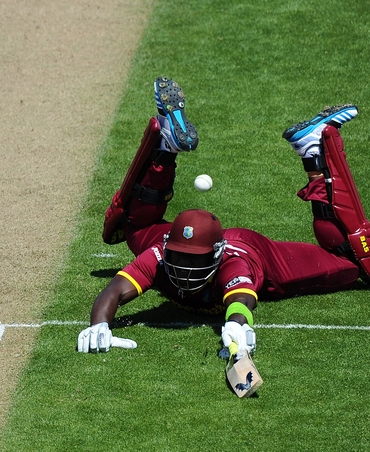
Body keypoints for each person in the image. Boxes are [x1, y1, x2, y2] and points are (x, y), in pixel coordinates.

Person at [77, 76, 364, 359]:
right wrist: (98, 324)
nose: (186, 268)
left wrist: (236, 326)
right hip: (204, 242)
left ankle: (314, 151)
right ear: (167, 246)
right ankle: (165, 145)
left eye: (194, 259)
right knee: (133, 225)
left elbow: (241, 299)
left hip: (261, 255)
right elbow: (115, 289)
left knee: (354, 259)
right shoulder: (159, 254)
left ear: (216, 255)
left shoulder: (233, 263)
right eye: (180, 256)